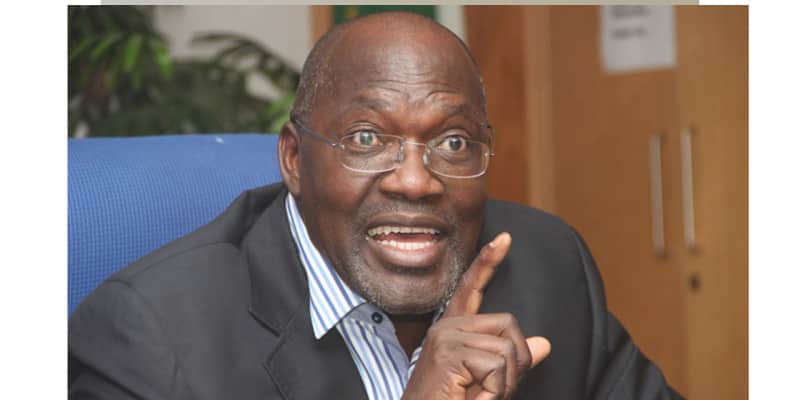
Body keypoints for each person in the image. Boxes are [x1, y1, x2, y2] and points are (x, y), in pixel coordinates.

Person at [68, 12, 682, 400]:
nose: (415, 182)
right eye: (366, 139)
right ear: (294, 159)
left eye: (453, 142)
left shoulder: (547, 264)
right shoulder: (151, 340)